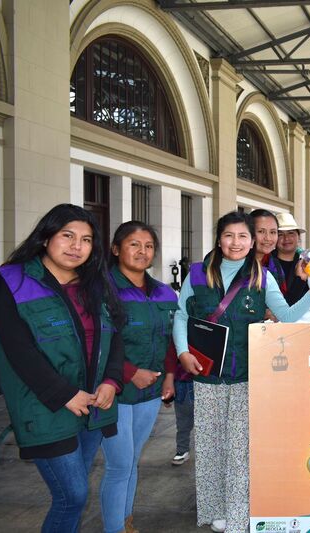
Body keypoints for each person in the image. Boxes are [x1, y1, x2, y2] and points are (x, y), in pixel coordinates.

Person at [174, 211, 310, 533]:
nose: (236, 242)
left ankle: (238, 514)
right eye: (229, 236)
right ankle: (215, 509)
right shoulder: (198, 274)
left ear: (252, 241)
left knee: (241, 448)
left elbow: (285, 317)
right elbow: (180, 315)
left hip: (247, 374)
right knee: (209, 445)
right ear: (219, 239)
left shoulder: (261, 276)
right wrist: (182, 352)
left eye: (243, 236)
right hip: (207, 374)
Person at [0, 203, 124, 532]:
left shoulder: (96, 282)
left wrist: (111, 381)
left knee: (72, 493)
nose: (77, 246)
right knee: (73, 496)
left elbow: (115, 334)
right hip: (46, 405)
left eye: (87, 239)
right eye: (67, 236)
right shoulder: (11, 280)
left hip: (93, 405)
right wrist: (64, 394)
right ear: (46, 236)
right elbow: (16, 350)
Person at [101, 221, 178, 533]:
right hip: (114, 391)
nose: (142, 251)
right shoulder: (101, 290)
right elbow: (96, 341)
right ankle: (114, 528)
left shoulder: (164, 293)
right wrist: (130, 373)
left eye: (148, 246)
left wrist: (170, 376)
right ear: (117, 249)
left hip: (150, 391)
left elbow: (172, 339)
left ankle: (126, 521)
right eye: (134, 244)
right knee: (118, 465)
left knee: (131, 462)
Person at [271, 212, 309, 305]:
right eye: (280, 234)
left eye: (291, 233)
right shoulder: (266, 264)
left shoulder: (307, 262)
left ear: (298, 237)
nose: (286, 238)